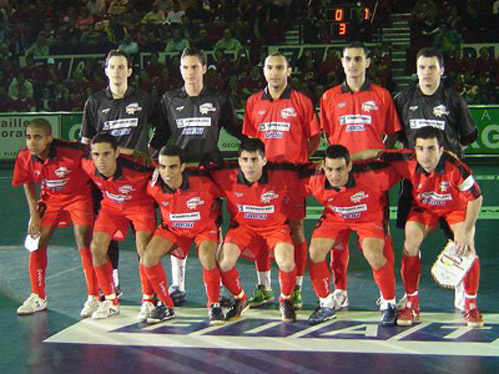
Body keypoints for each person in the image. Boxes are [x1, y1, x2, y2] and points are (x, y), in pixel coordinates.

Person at [151, 47, 245, 306]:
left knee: (212, 227)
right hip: (178, 173)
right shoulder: (169, 99)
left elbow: (236, 129)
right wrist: (148, 157)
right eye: (185, 67)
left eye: (194, 67)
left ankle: (218, 286)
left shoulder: (218, 98)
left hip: (210, 173)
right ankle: (177, 285)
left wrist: (258, 148)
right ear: (179, 70)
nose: (190, 72)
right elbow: (160, 134)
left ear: (204, 69)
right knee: (177, 223)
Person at [393, 47, 478, 311]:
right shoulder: (403, 99)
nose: (426, 73)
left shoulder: (453, 99)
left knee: (462, 239)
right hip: (416, 185)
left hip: (450, 185)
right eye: (422, 67)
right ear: (416, 70)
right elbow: (395, 134)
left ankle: (463, 289)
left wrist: (447, 158)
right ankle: (411, 296)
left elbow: (467, 135)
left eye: (432, 67)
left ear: (442, 70)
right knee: (411, 241)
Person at [319, 41, 402, 310]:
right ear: (341, 62)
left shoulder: (382, 95)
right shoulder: (329, 97)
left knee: (379, 236)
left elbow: (391, 133)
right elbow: (329, 134)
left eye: (358, 59)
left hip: (373, 177)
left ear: (367, 62)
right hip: (339, 176)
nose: (352, 64)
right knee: (338, 236)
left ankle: (386, 295)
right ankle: (341, 291)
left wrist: (374, 154)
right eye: (348, 59)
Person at [378, 127, 483, 327]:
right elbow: (374, 153)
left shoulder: (455, 167)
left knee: (468, 246)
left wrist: (467, 231)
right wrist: (345, 160)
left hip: (455, 207)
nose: (425, 155)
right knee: (410, 244)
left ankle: (470, 306)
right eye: (421, 149)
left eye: (431, 149)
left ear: (441, 149)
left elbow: (476, 198)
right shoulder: (406, 159)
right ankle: (411, 303)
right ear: (414, 150)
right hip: (424, 208)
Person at [242, 52, 321, 310]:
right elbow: (250, 141)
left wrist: (299, 158)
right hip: (263, 176)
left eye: (279, 67)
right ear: (263, 71)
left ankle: (296, 288)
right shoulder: (254, 102)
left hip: (291, 176)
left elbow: (313, 138)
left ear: (289, 71)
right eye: (269, 67)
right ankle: (264, 287)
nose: (274, 72)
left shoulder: (301, 101)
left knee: (296, 229)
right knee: (260, 231)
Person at [81, 49, 157, 301]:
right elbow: (86, 142)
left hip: (138, 179)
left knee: (143, 238)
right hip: (107, 178)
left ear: (130, 71)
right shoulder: (94, 102)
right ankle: (112, 284)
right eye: (112, 67)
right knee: (106, 233)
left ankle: (150, 290)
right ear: (106, 70)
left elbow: (164, 126)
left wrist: (153, 151)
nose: (117, 71)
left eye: (122, 67)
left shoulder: (144, 99)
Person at [303, 145, 400, 326]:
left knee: (373, 254)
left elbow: (404, 164)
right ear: (323, 167)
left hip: (369, 218)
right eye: (329, 169)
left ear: (349, 166)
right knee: (315, 252)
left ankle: (389, 303)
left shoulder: (375, 176)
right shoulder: (314, 180)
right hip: (335, 217)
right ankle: (326, 304)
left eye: (340, 169)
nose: (334, 175)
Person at [12, 119, 99, 318]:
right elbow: (26, 182)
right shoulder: (25, 156)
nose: (32, 142)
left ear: (50, 138)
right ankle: (38, 296)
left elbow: (97, 157)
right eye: (28, 137)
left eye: (37, 137)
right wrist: (33, 214)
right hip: (50, 198)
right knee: (36, 242)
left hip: (79, 196)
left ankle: (94, 296)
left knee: (84, 240)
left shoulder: (74, 150)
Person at [210, 139, 298, 322]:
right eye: (245, 159)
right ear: (239, 160)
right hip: (242, 228)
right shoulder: (226, 175)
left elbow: (311, 172)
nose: (249, 165)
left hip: (275, 228)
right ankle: (240, 298)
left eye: (254, 159)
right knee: (224, 263)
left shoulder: (282, 175)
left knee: (287, 263)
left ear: (264, 160)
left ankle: (286, 299)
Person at [141, 145, 225, 325]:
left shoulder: (204, 183)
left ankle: (214, 305)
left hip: (203, 229)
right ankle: (166, 305)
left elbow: (228, 194)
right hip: (173, 229)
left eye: (172, 166)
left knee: (207, 258)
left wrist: (220, 221)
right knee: (148, 258)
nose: (167, 172)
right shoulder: (153, 187)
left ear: (182, 167)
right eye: (162, 167)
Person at [81, 133, 157, 320]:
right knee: (96, 248)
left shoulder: (139, 169)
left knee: (144, 249)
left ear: (116, 153)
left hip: (140, 205)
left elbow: (164, 170)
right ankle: (110, 300)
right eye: (96, 154)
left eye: (106, 154)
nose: (101, 160)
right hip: (111, 207)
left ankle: (149, 299)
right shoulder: (88, 165)